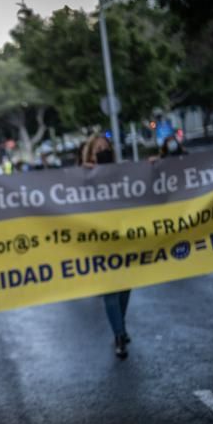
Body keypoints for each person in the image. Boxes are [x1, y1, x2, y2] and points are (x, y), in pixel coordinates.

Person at [83, 134, 131, 358]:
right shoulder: (82, 175)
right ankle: (119, 334)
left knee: (125, 286)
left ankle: (119, 324)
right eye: (97, 149)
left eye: (106, 148)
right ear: (90, 154)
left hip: (123, 237)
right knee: (110, 290)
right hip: (98, 241)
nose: (102, 151)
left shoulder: (121, 172)